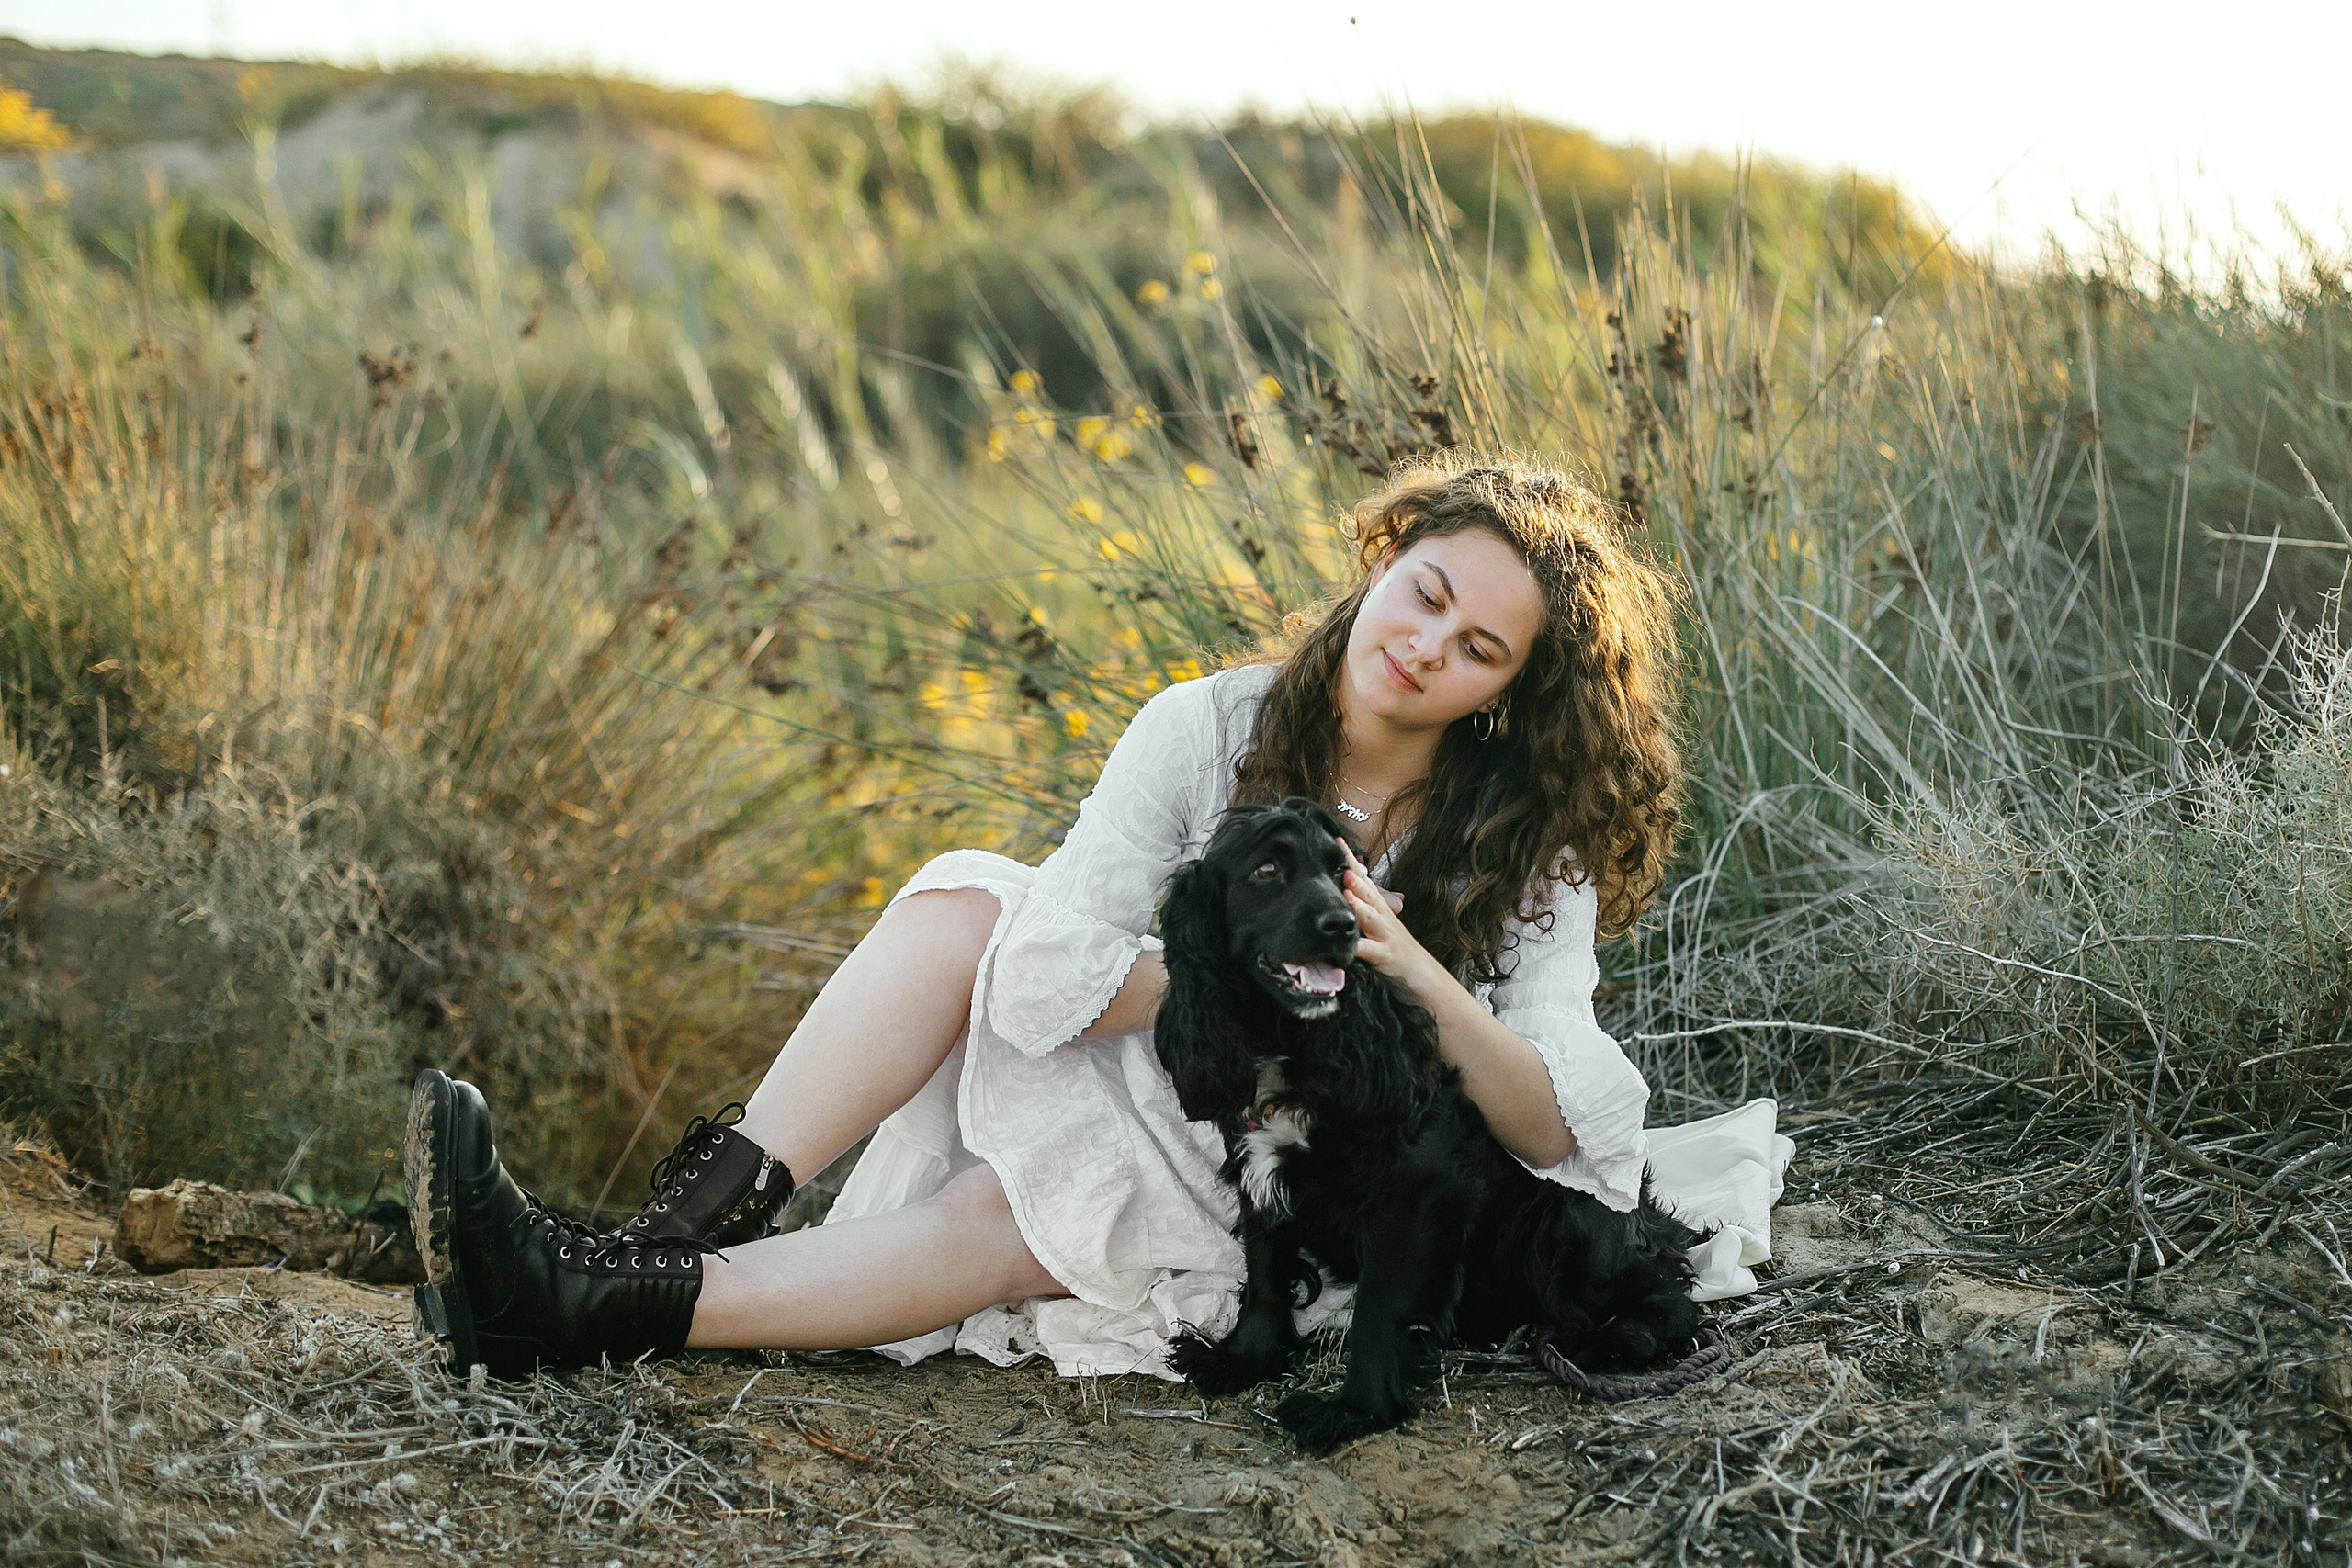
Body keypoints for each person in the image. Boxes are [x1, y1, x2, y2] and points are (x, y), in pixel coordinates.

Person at [405, 453, 1702, 1382]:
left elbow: (1557, 1124)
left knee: (1027, 1210)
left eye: (1480, 649)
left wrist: (1400, 962)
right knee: (965, 901)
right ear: (1384, 561)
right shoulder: (1205, 726)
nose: (1427, 646)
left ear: (1504, 695)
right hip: (1157, 1037)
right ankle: (654, 1245)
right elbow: (1038, 984)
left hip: (1304, 1163)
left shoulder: (1531, 847)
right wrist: (1248, 977)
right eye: (1428, 594)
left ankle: (586, 1305)